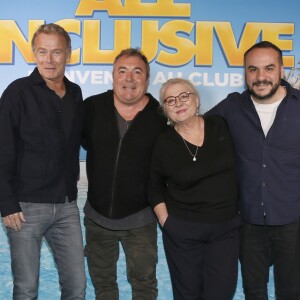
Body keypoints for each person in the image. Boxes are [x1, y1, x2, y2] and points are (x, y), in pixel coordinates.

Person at [207, 41, 300, 299]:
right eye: (253, 70)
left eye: (269, 68)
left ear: (281, 70)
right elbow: (193, 133)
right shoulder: (232, 106)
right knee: (254, 291)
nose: (261, 77)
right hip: (249, 223)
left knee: (291, 292)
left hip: (293, 222)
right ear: (245, 73)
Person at [0, 23, 86, 299]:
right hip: (25, 209)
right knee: (26, 290)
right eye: (42, 52)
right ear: (34, 54)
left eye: (56, 52)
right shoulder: (17, 92)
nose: (49, 60)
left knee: (76, 287)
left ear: (68, 55)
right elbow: (3, 148)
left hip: (66, 206)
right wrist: (7, 204)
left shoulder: (75, 94)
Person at [82, 48, 168, 300]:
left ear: (147, 79)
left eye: (137, 72)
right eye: (123, 71)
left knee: (144, 287)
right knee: (104, 286)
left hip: (141, 221)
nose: (129, 78)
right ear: (113, 76)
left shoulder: (161, 116)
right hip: (96, 220)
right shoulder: (92, 108)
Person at [148, 78, 241, 300]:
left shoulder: (220, 125)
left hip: (225, 230)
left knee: (221, 293)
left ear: (196, 100)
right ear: (166, 111)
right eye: (170, 101)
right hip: (183, 232)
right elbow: (153, 186)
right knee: (188, 295)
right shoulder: (164, 143)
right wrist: (167, 222)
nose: (178, 103)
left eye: (184, 96)